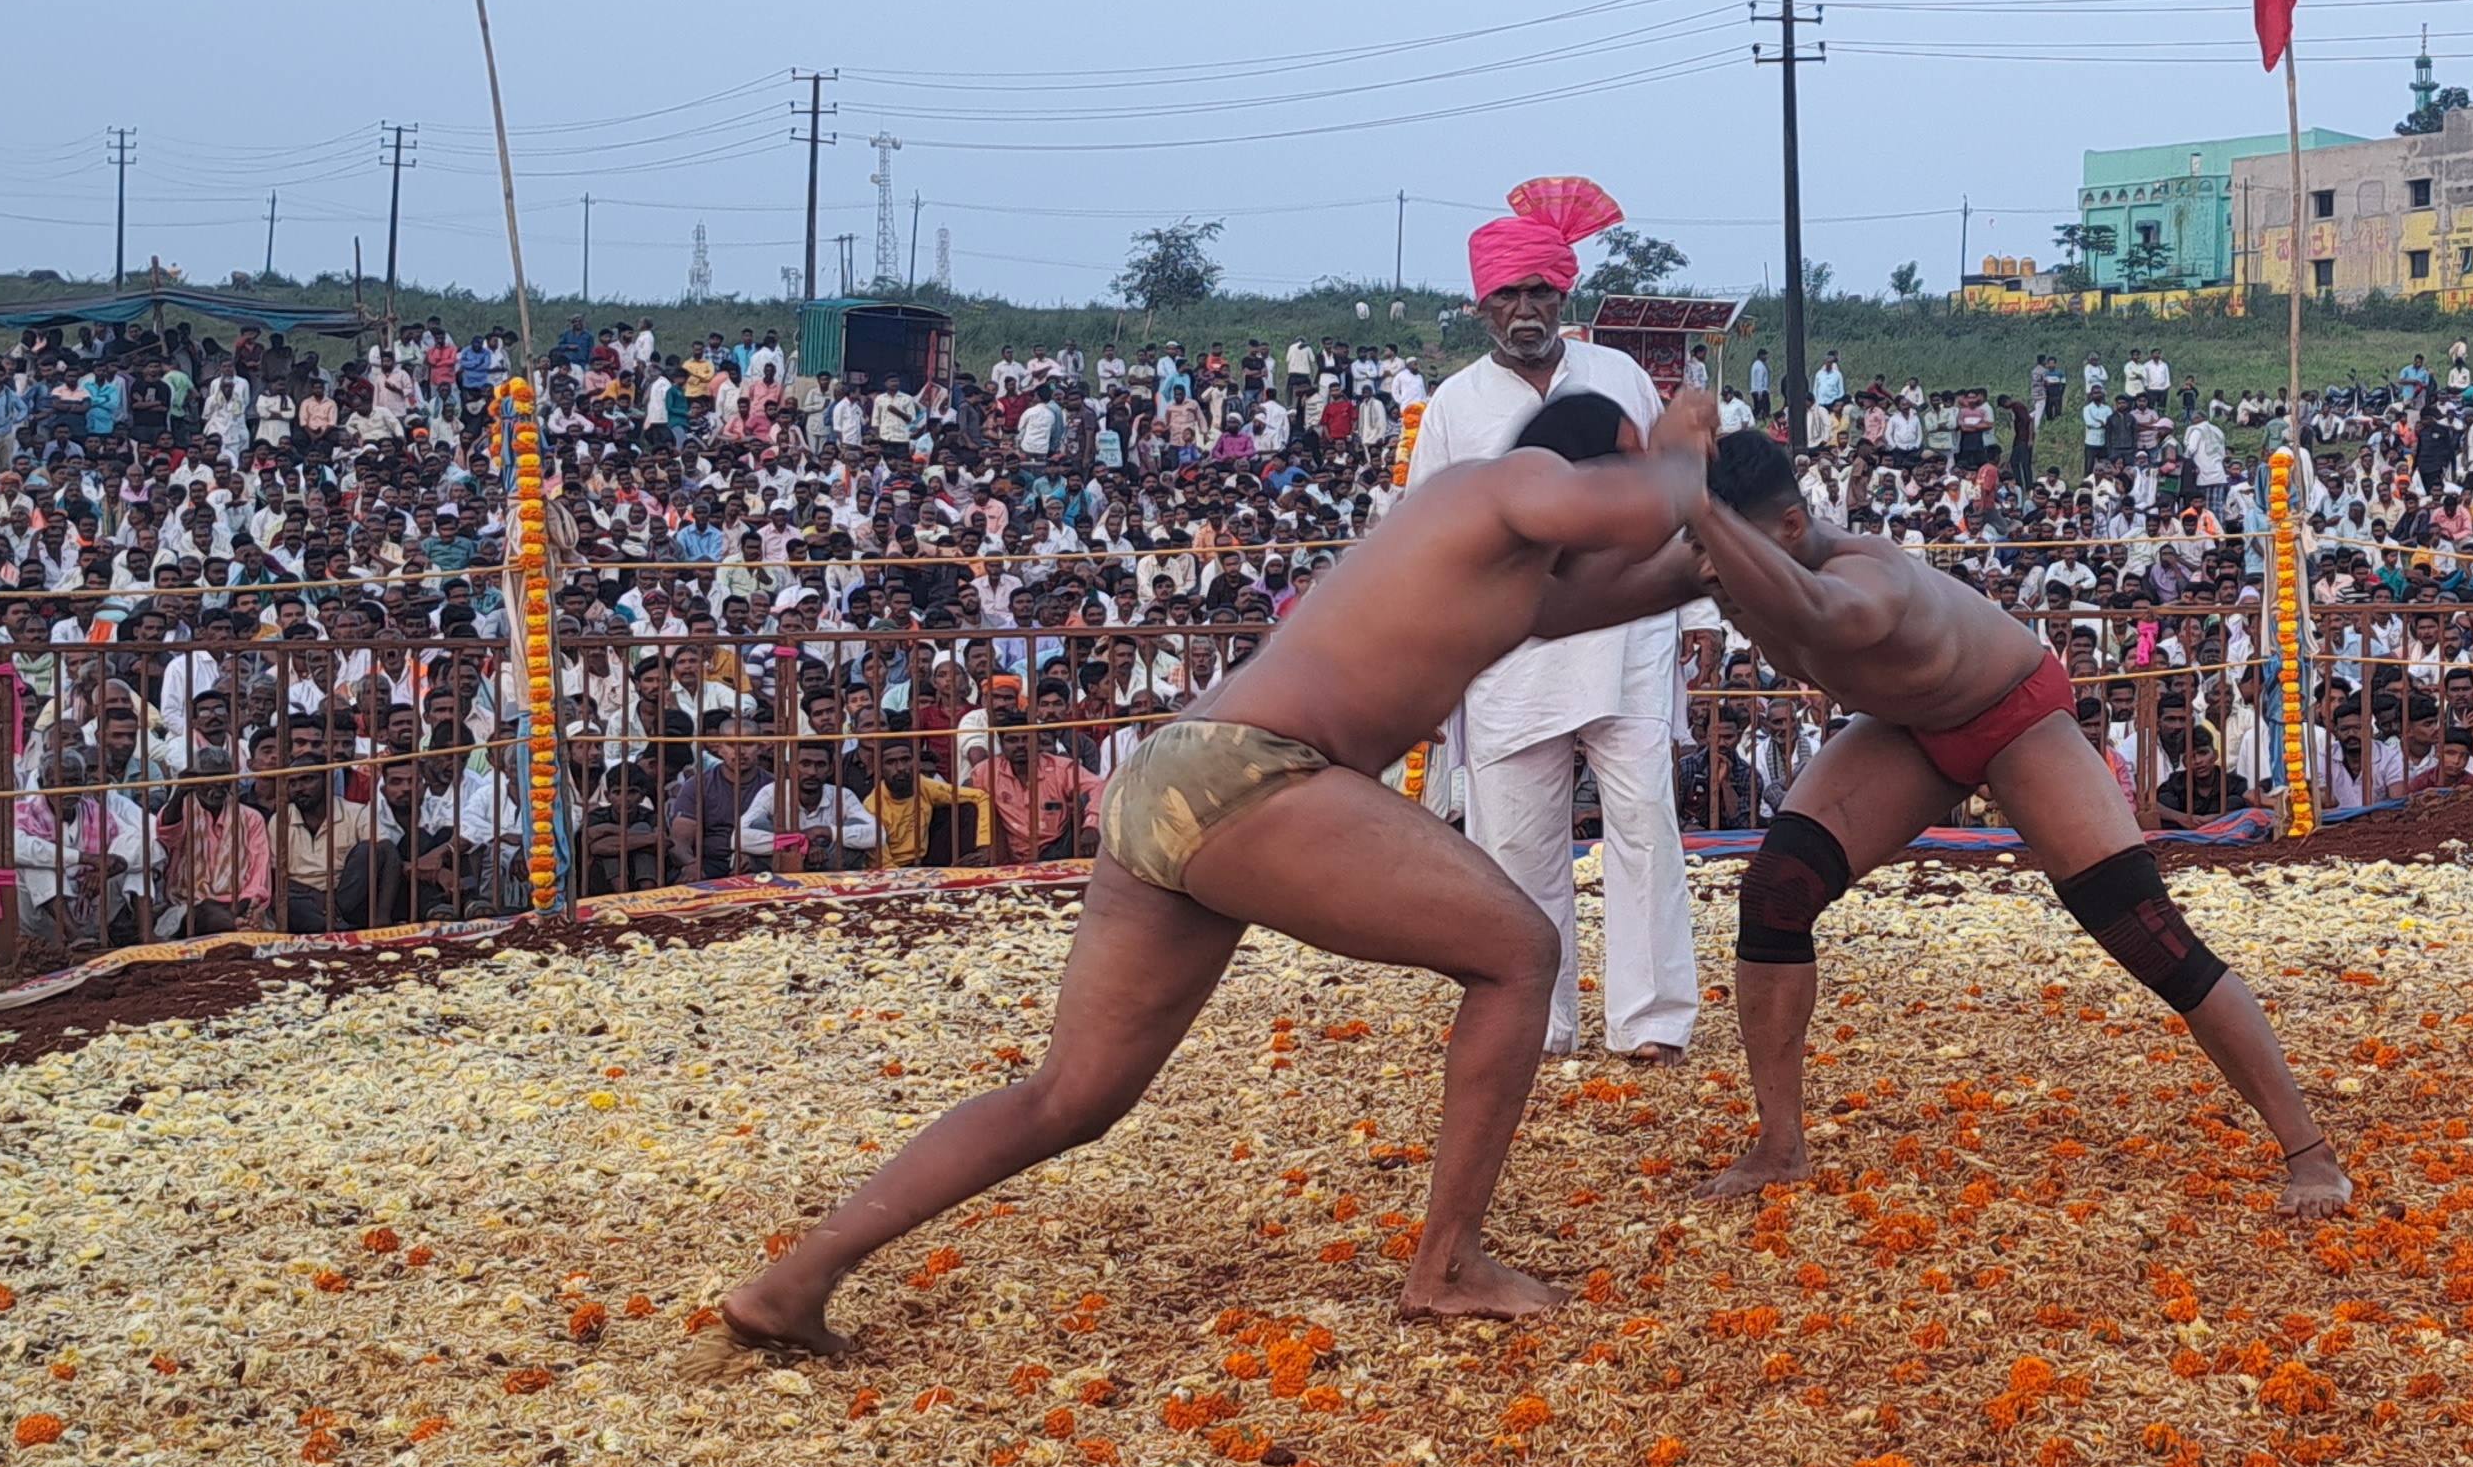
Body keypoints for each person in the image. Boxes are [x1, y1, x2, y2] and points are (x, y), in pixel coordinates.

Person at [720, 376, 1716, 1353]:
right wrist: (1678, 446)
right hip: (1251, 772)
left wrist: (1733, 540)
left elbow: (1658, 571)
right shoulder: (1497, 483)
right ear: (1599, 462)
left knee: (1069, 1095)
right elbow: (1636, 508)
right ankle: (1447, 1265)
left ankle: (792, 1278)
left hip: (1172, 781)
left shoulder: (1509, 582)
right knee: (1518, 950)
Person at [1659, 430, 2349, 1216]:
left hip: (2014, 714)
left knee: (2148, 936)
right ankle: (1779, 1145)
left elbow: (1824, 614)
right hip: (1908, 728)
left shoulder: (1866, 576)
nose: (1716, 571)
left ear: (1785, 531)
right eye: (1704, 548)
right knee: (1777, 893)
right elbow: (1611, 586)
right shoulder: (1722, 559)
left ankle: (2310, 1152)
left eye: (1726, 548)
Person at [1409, 177, 1699, 1066]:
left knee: (1645, 822)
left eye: (1541, 291)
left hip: (1629, 641)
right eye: (1509, 294)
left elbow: (1670, 501)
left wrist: (1689, 616)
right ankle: (1539, 1023)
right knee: (1517, 840)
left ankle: (1649, 1023)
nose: (1526, 309)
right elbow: (1426, 538)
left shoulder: (1618, 378)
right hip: (1512, 647)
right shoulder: (1454, 405)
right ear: (1480, 306)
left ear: (1564, 295)